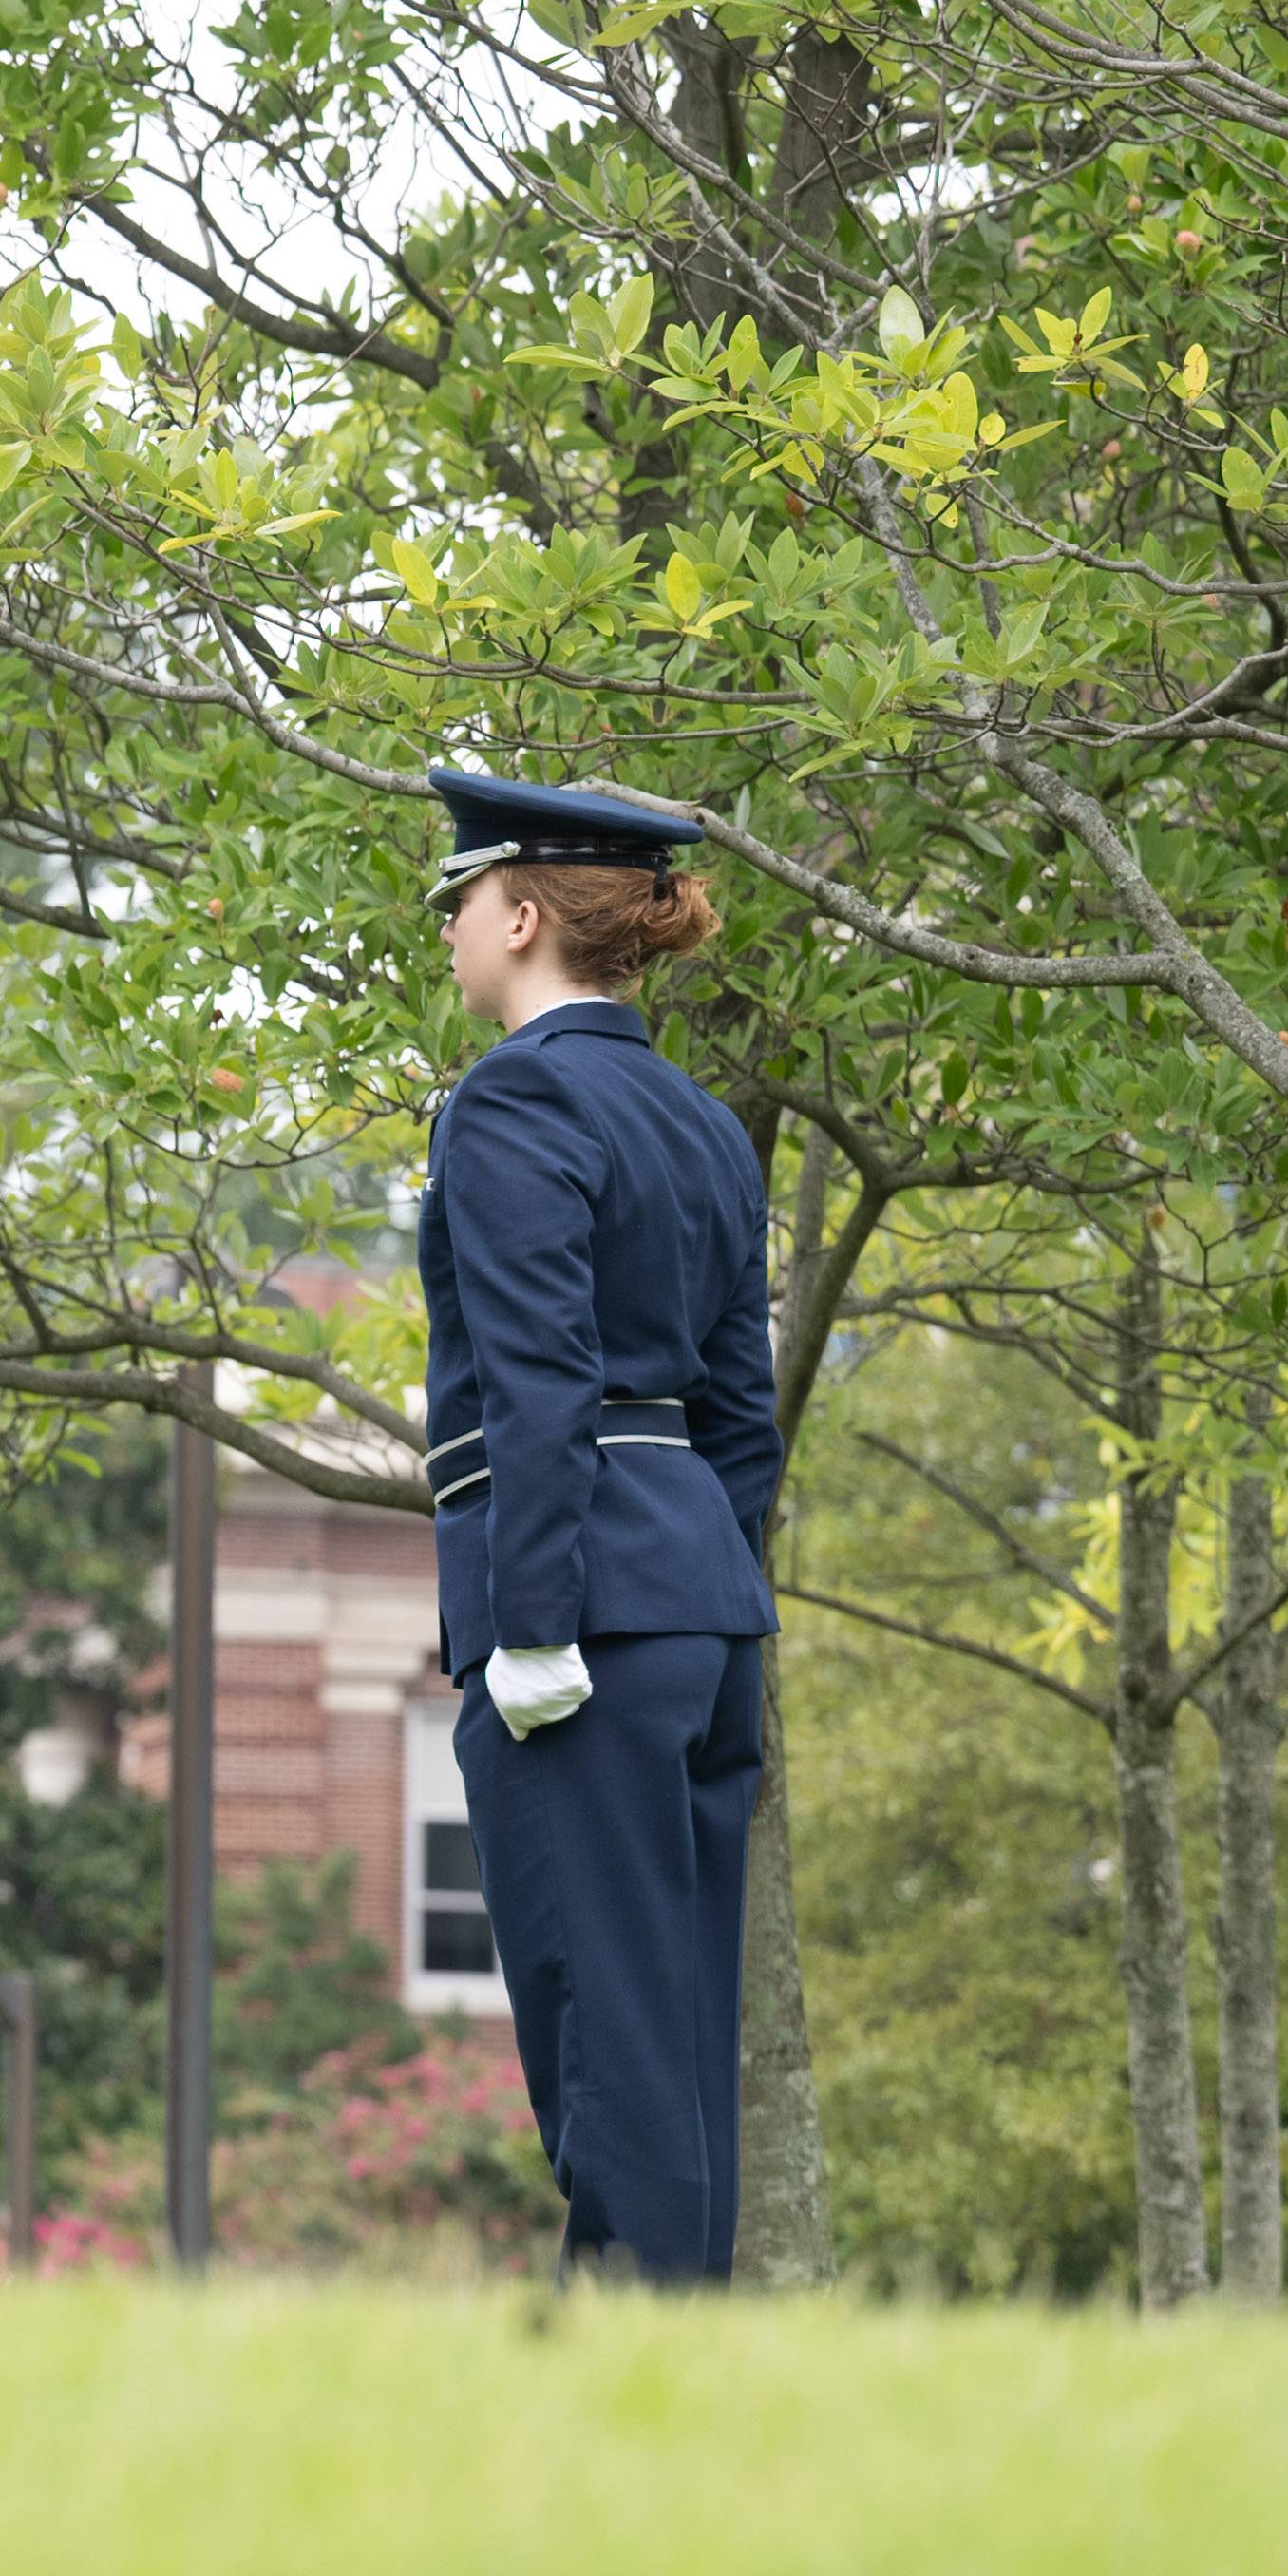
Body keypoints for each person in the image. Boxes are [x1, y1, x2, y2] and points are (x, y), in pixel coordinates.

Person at [420, 764, 786, 2283]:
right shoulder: (701, 1124)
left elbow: (541, 1384)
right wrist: (698, 1581)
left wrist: (537, 1620)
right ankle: (677, 2367)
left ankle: (630, 2382)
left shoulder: (511, 1101)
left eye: (457, 902)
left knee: (601, 2034)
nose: (445, 932)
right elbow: (741, 1422)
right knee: (681, 2031)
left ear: (518, 915)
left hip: (584, 1614)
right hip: (697, 1609)